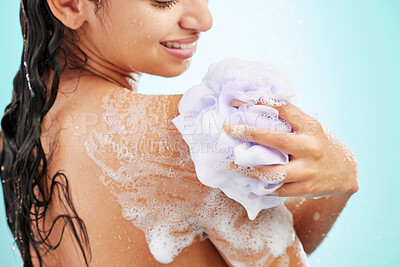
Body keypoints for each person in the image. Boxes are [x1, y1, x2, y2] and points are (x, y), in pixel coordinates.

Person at [0, 0, 359, 266]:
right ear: (70, 4)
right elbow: (275, 253)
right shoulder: (193, 135)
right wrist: (345, 172)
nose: (203, 19)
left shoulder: (21, 133)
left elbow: (262, 238)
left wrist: (339, 183)